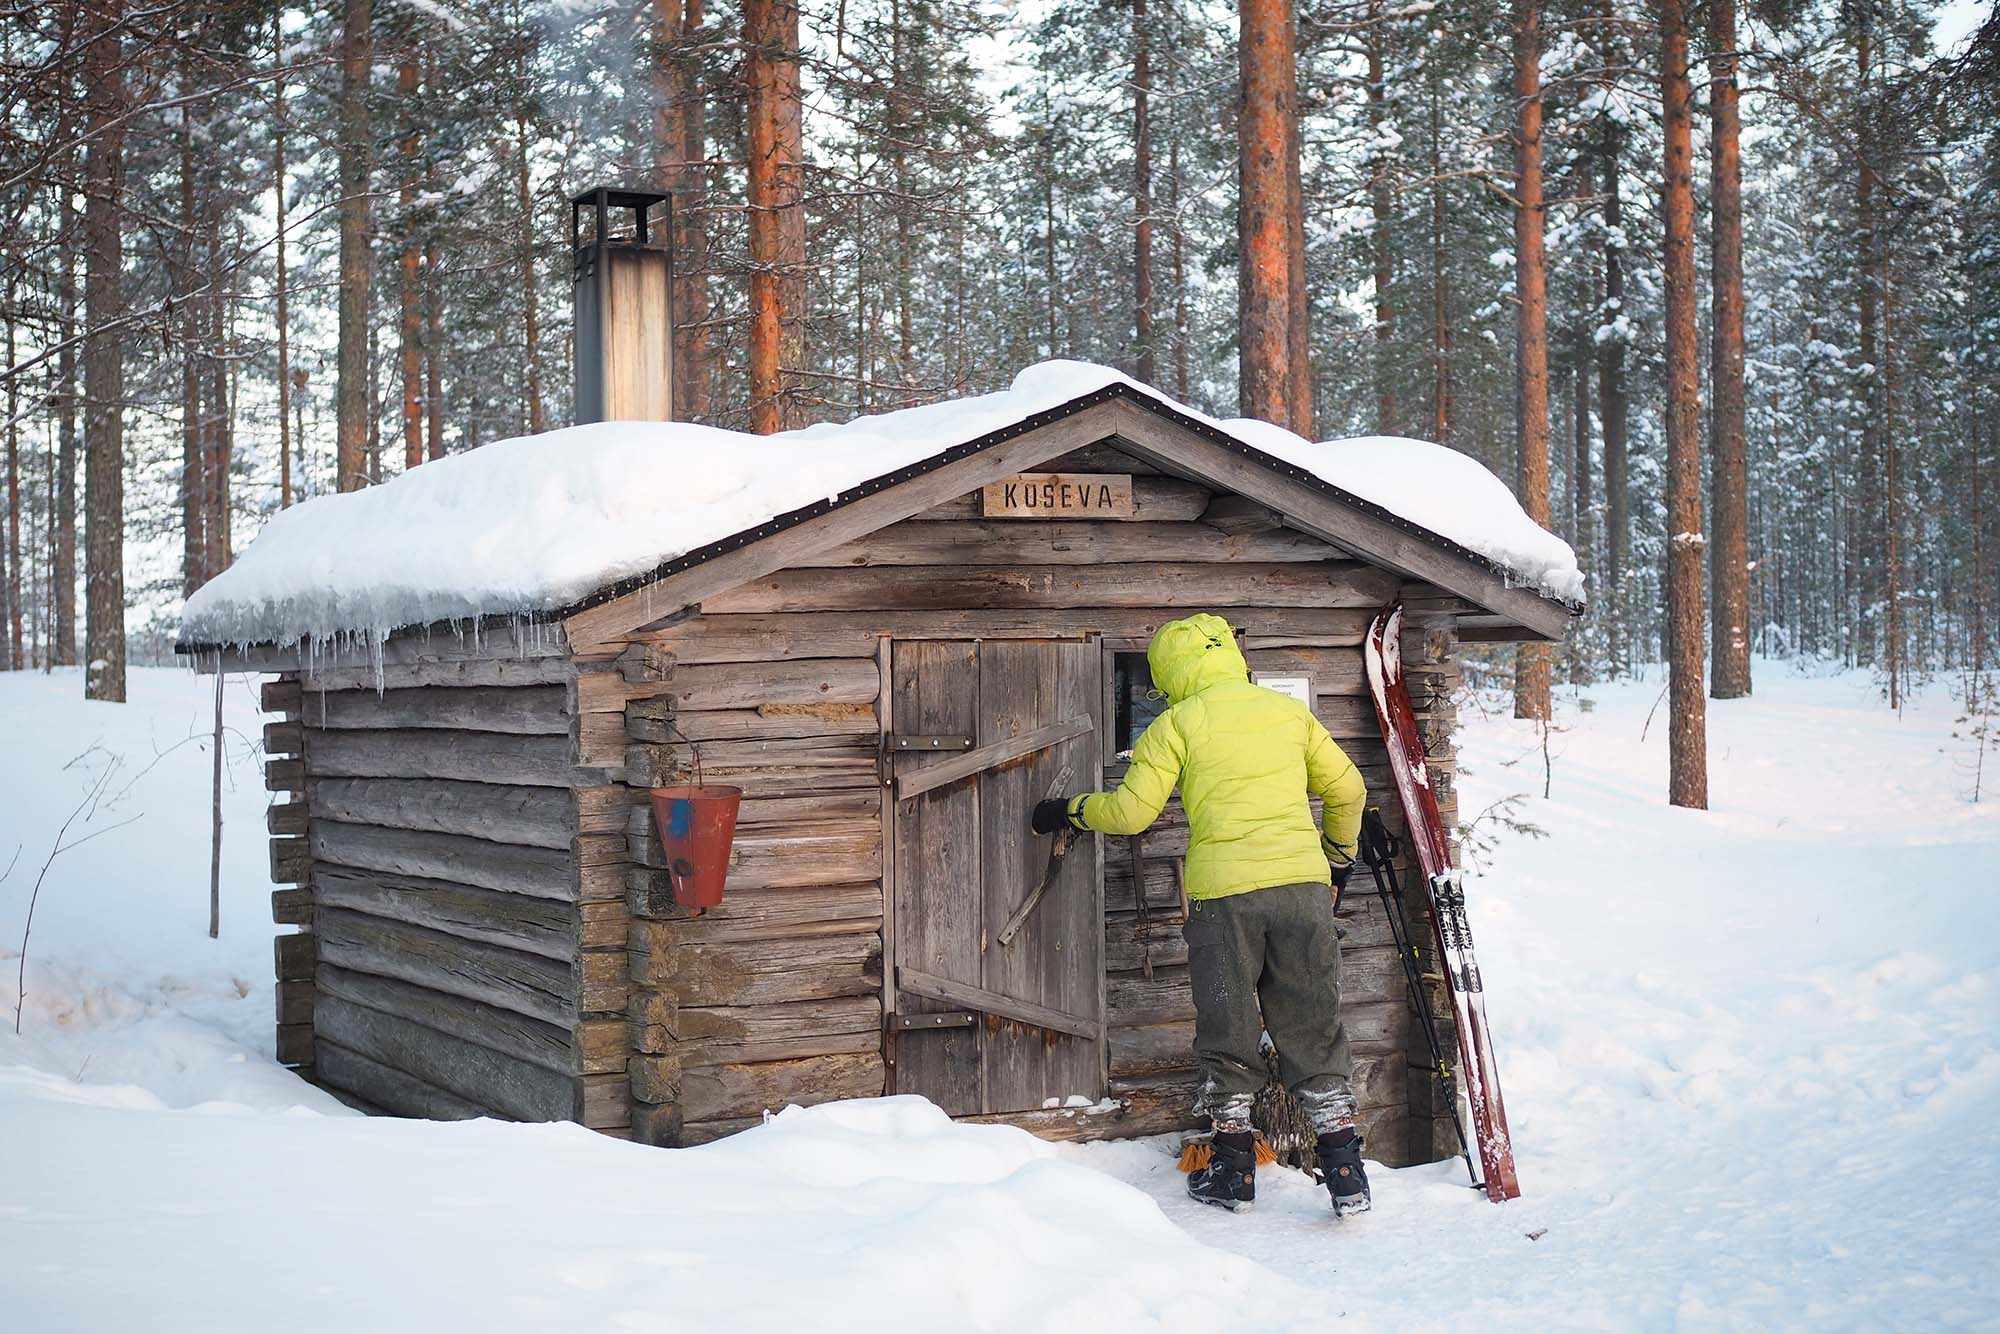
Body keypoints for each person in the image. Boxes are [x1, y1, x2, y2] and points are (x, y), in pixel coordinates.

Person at [1032, 613, 1371, 1217]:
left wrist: (1072, 810)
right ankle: (1346, 1173)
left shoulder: (1175, 724)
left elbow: (1132, 814)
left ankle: (1234, 1174)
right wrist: (1336, 862)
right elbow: (1348, 791)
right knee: (1313, 1022)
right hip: (1303, 889)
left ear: (1171, 672)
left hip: (1225, 897)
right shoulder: (1287, 714)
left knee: (1229, 1026)